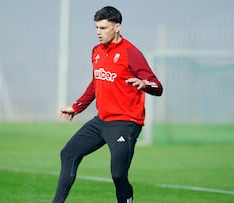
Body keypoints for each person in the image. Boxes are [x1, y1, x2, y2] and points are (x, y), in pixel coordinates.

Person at [52, 6, 163, 203]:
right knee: (68, 153)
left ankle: (127, 198)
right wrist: (77, 107)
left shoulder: (131, 53)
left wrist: (144, 84)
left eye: (103, 28)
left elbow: (157, 86)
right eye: (96, 28)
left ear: (117, 27)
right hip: (101, 121)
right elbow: (96, 82)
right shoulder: (97, 51)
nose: (98, 32)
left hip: (125, 123)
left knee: (118, 175)